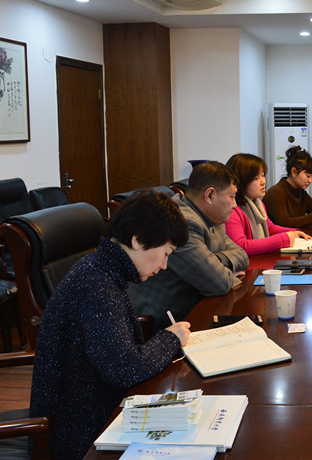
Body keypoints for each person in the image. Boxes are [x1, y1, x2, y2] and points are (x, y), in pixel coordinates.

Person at [29, 191, 191, 460]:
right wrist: (171, 339)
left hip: (97, 410)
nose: (164, 265)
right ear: (138, 240)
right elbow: (124, 369)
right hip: (80, 432)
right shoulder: (96, 283)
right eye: (165, 253)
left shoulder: (103, 270)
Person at [128, 161, 249, 330]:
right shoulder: (182, 222)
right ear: (210, 195)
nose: (235, 205)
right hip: (162, 322)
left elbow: (242, 255)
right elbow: (219, 284)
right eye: (231, 196)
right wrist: (219, 270)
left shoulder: (212, 217)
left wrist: (216, 261)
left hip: (195, 310)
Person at [225, 153, 312, 255]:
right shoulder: (232, 210)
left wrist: (294, 232)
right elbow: (241, 246)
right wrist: (284, 238)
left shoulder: (258, 203)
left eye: (263, 175)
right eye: (256, 178)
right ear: (241, 180)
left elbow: (269, 227)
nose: (263, 182)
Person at [264, 146, 312, 228]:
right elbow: (284, 223)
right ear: (294, 171)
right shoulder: (276, 193)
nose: (310, 181)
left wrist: (306, 219)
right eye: (308, 176)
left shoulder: (300, 192)